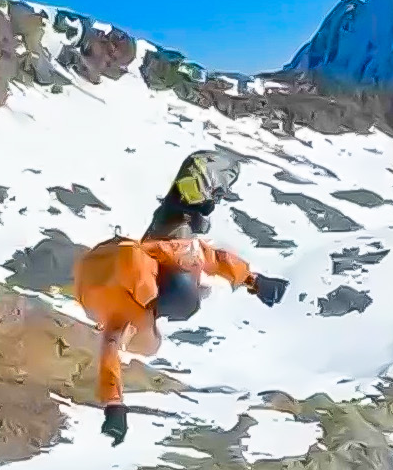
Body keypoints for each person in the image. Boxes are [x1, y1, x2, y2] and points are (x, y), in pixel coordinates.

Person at [72, 155, 288, 447]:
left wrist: (115, 406)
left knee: (185, 237)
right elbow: (218, 260)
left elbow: (110, 354)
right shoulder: (163, 267)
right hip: (115, 268)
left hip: (115, 269)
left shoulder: (160, 271)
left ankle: (189, 196)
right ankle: (187, 198)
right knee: (184, 238)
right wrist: (254, 281)